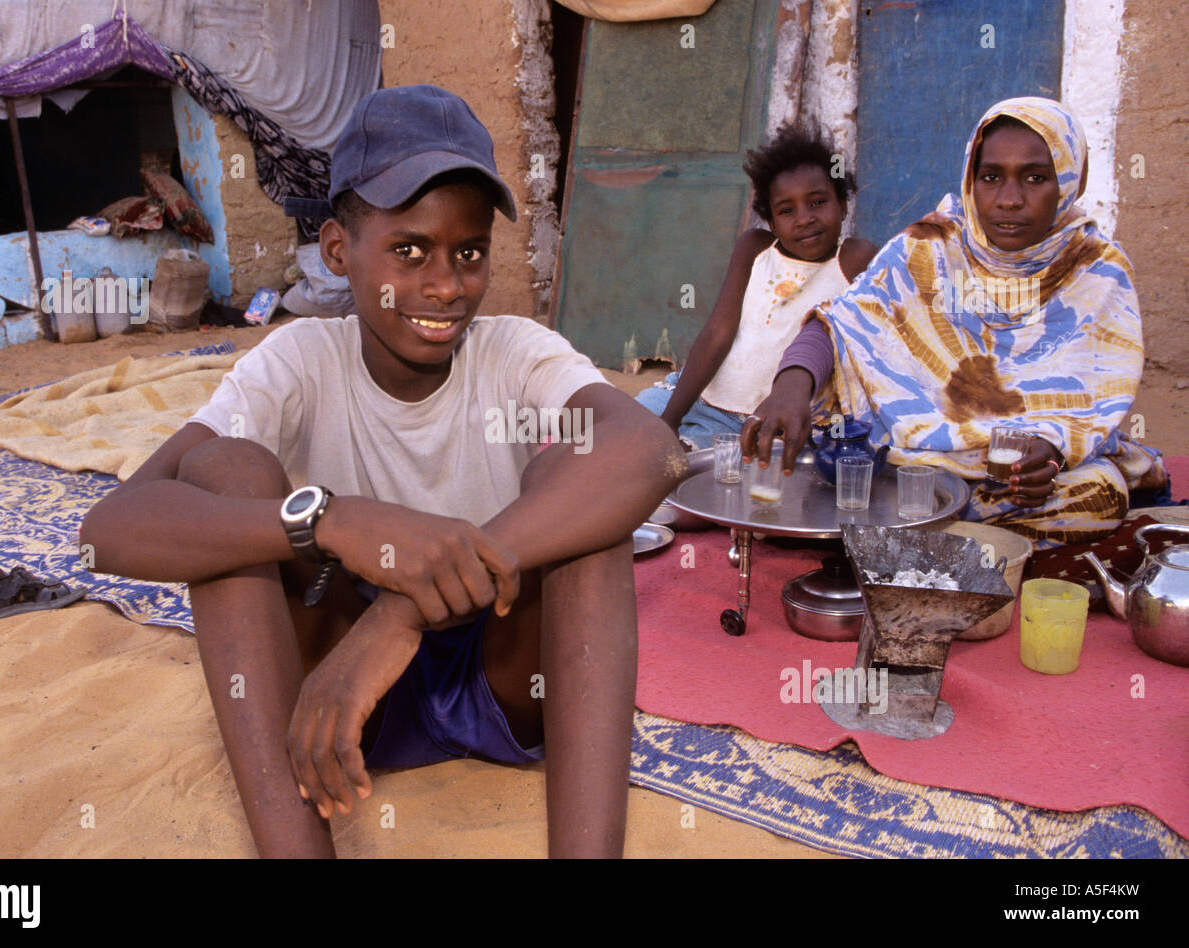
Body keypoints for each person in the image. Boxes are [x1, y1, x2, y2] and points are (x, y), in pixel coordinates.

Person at [79, 84, 686, 858]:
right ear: (338, 249)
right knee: (226, 470)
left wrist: (401, 613)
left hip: (502, 669)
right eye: (410, 251)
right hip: (337, 697)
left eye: (469, 253)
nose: (444, 284)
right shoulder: (300, 362)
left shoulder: (513, 351)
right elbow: (109, 531)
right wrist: (330, 519)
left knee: (592, 507)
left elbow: (656, 451)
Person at [743, 97, 1166, 549]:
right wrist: (789, 386)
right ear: (970, 178)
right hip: (910, 460)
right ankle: (936, 536)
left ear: (1068, 181)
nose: (1008, 200)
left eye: (1035, 178)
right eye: (990, 178)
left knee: (1098, 494)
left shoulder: (1096, 270)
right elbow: (844, 321)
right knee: (839, 458)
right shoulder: (931, 246)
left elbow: (1090, 401)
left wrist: (1053, 455)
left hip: (1008, 482)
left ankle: (894, 535)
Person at [635, 124, 876, 449]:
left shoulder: (854, 259)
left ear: (843, 205)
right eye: (787, 210)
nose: (804, 218)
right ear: (772, 222)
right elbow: (716, 333)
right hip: (700, 394)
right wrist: (670, 419)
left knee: (691, 468)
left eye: (818, 202)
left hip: (765, 421)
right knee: (626, 428)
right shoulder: (755, 249)